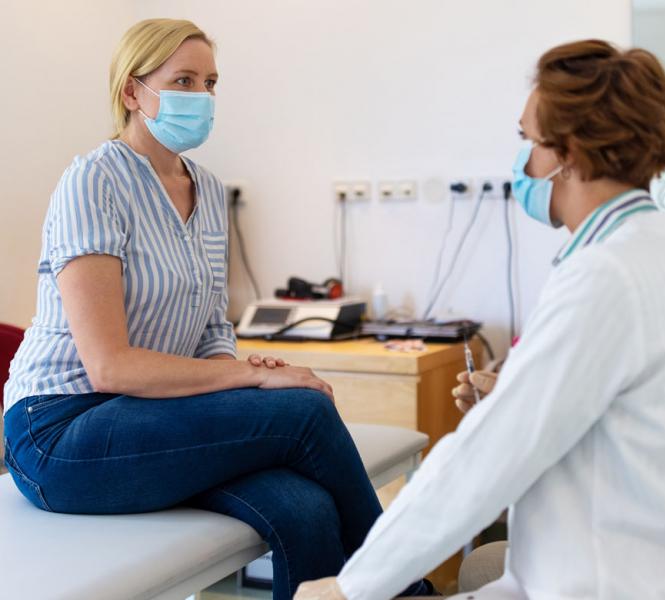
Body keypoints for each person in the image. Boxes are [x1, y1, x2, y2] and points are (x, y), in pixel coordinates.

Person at [296, 40, 665, 599]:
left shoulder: (607, 279)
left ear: (571, 154)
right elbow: (633, 426)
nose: (524, 164)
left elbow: (481, 461)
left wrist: (350, 587)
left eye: (528, 142)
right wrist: (517, 392)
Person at [2, 19, 432, 599]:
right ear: (133, 92)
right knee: (302, 411)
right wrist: (247, 377)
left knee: (304, 510)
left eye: (210, 82)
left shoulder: (206, 193)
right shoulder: (93, 182)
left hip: (150, 419)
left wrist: (240, 379)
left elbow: (210, 329)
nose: (202, 97)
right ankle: (408, 588)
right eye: (184, 80)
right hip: (61, 430)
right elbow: (111, 367)